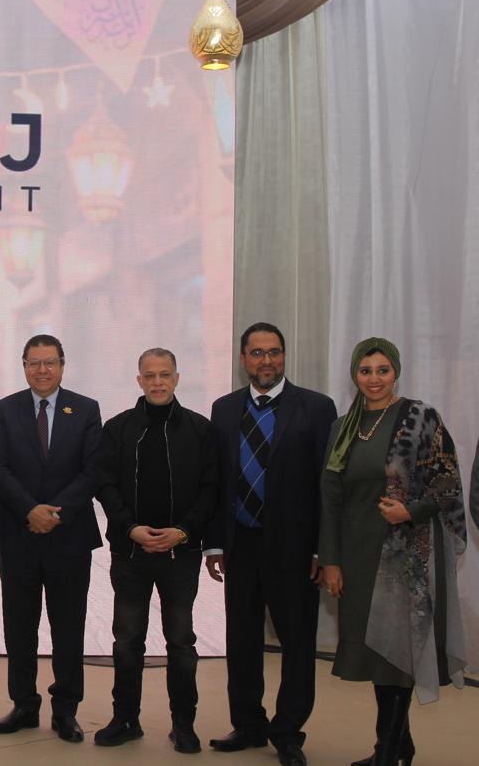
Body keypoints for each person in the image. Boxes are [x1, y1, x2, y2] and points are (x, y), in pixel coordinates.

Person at [317, 338, 467, 766]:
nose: (374, 379)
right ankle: (401, 743)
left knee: (397, 654)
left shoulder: (421, 418)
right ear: (355, 375)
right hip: (358, 553)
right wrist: (330, 560)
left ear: (395, 372)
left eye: (382, 370)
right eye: (365, 371)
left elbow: (448, 484)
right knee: (376, 652)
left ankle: (386, 750)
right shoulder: (343, 427)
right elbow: (330, 498)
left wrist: (410, 511)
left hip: (405, 557)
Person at [205, 322, 337, 766]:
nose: (267, 361)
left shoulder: (317, 408)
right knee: (242, 641)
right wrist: (214, 544)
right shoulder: (224, 409)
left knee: (297, 644)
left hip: (296, 551)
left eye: (274, 352)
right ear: (243, 358)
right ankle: (248, 724)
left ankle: (288, 732)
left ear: (284, 356)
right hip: (240, 545)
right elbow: (217, 482)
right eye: (258, 353)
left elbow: (327, 485)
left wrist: (323, 549)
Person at [93, 348, 219, 753]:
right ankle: (125, 720)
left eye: (165, 375)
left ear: (177, 378)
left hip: (180, 554)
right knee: (127, 640)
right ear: (139, 381)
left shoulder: (200, 430)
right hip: (130, 554)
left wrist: (183, 531)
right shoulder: (117, 428)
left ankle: (183, 724)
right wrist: (129, 529)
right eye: (150, 375)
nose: (158, 382)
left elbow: (211, 488)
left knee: (180, 642)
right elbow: (104, 485)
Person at [0, 334, 102, 743]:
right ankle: (23, 704)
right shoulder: (6, 409)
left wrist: (55, 513)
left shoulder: (86, 409)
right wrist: (29, 510)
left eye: (50, 362)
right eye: (34, 362)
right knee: (19, 626)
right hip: (19, 533)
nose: (42, 370)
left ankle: (66, 710)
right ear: (24, 366)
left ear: (62, 365)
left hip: (69, 536)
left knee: (68, 626)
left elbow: (92, 470)